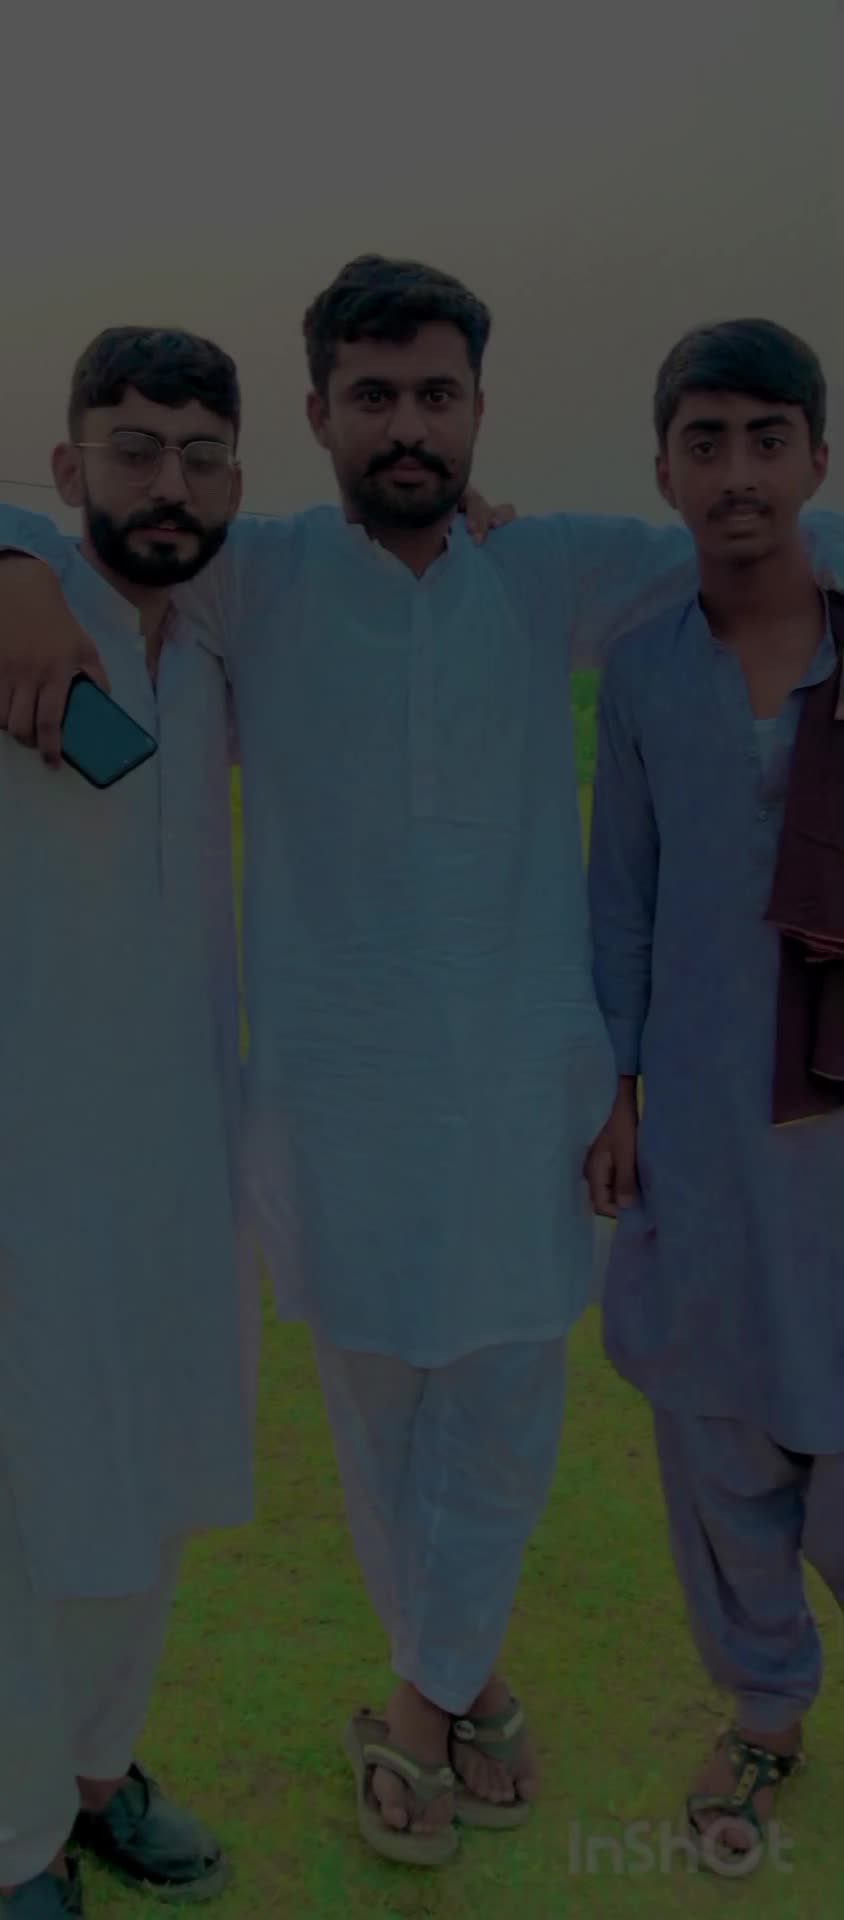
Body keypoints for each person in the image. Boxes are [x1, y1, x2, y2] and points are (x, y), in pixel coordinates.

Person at [2, 265, 843, 1873]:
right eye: (374, 397)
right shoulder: (257, 576)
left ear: (477, 411)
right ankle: (462, 1679)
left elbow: (764, 530)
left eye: (436, 397)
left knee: (505, 1418)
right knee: (379, 1426)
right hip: (329, 1112)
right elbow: (96, 522)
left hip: (532, 1096)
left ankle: (417, 1701)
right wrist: (16, 564)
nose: (408, 427)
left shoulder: (551, 571)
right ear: (319, 414)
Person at [0, 328, 263, 1917]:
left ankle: (100, 1775)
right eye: (134, 449)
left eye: (200, 456)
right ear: (65, 466)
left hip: (184, 1149)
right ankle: (15, 1837)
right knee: (34, 1495)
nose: (169, 485)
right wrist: (11, 556)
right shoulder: (24, 621)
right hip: (32, 1153)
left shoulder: (214, 641)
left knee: (156, 1472)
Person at [585, 318, 844, 1877]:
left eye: (766, 437)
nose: (737, 472)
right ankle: (764, 1712)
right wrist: (615, 1086)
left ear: (816, 456)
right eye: (706, 441)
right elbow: (622, 897)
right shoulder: (645, 673)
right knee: (716, 1420)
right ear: (666, 469)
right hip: (695, 1109)